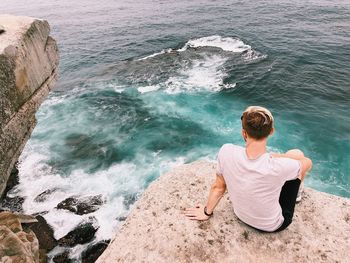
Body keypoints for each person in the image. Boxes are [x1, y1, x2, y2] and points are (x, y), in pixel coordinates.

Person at [185, 106, 313, 232]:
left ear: (244, 133)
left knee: (291, 162)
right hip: (273, 225)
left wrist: (206, 213)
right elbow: (307, 163)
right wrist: (278, 156)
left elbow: (218, 188)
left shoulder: (226, 151)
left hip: (241, 215)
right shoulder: (277, 166)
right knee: (297, 154)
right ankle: (296, 196)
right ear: (271, 131)